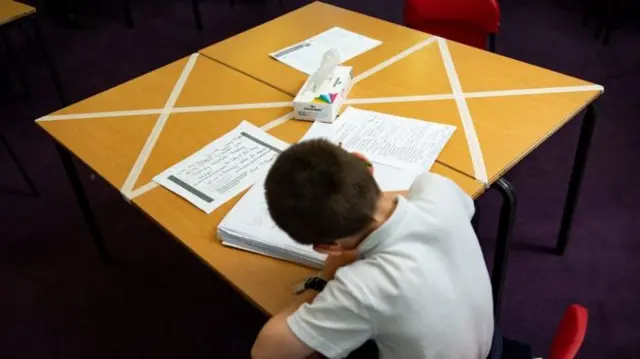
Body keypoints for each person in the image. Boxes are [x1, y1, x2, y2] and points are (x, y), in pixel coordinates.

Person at [252, 139, 495, 359]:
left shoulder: (362, 288)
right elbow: (460, 207)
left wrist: (324, 277)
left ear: (328, 247)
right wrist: (355, 195)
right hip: (489, 344)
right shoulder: (437, 189)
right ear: (366, 165)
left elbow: (266, 352)